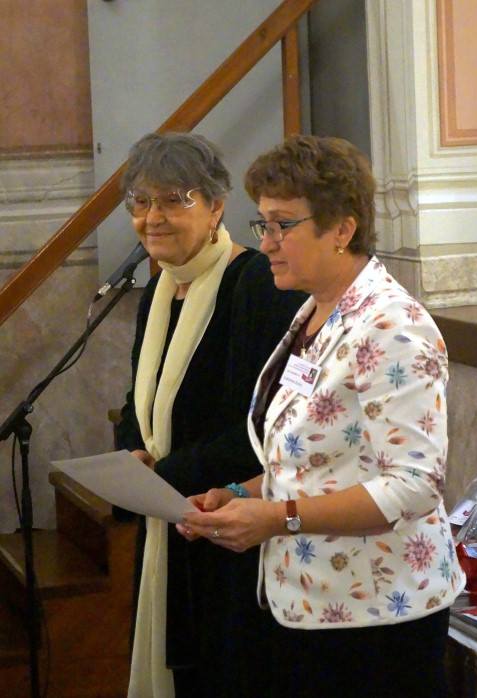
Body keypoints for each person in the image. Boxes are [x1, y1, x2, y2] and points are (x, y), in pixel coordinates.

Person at [182, 135, 466, 698]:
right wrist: (239, 494)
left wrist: (275, 518)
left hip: (378, 621)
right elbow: (319, 458)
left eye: (283, 225)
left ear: (342, 229)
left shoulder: (390, 327)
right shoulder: (315, 312)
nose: (266, 243)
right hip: (310, 603)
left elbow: (413, 487)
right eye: (263, 223)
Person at [114, 131, 305, 698]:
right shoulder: (157, 293)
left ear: (216, 206)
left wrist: (163, 475)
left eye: (175, 200)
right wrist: (133, 451)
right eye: (141, 202)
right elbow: (141, 401)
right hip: (169, 519)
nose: (153, 217)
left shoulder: (258, 285)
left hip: (228, 527)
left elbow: (259, 426)